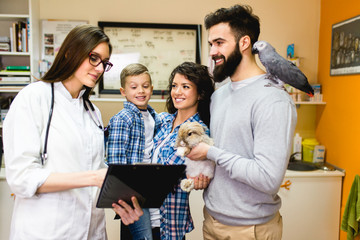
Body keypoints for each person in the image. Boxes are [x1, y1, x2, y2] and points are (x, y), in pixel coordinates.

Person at [3, 24, 142, 240]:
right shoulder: (33, 98)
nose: (99, 69)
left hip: (92, 231)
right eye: (93, 58)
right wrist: (94, 177)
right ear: (70, 53)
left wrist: (120, 203)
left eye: (104, 63)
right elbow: (22, 178)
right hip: (46, 232)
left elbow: (95, 169)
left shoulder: (92, 111)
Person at [186, 5, 298, 240]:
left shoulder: (273, 99)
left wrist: (212, 152)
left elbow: (268, 179)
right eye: (211, 44)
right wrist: (204, 172)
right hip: (212, 221)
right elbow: (224, 155)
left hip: (250, 231)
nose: (213, 52)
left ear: (244, 43)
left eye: (219, 43)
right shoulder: (220, 95)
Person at [149, 61, 214, 239]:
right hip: (142, 218)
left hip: (168, 223)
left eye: (185, 86)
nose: (177, 92)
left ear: (200, 94)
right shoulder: (162, 121)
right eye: (174, 86)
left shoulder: (199, 132)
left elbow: (172, 172)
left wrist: (201, 180)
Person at [107, 63, 160, 240]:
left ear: (151, 89)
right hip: (133, 190)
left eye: (145, 86)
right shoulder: (123, 119)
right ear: (123, 91)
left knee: (154, 232)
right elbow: (116, 163)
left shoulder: (153, 116)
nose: (141, 91)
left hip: (150, 184)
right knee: (143, 236)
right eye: (134, 87)